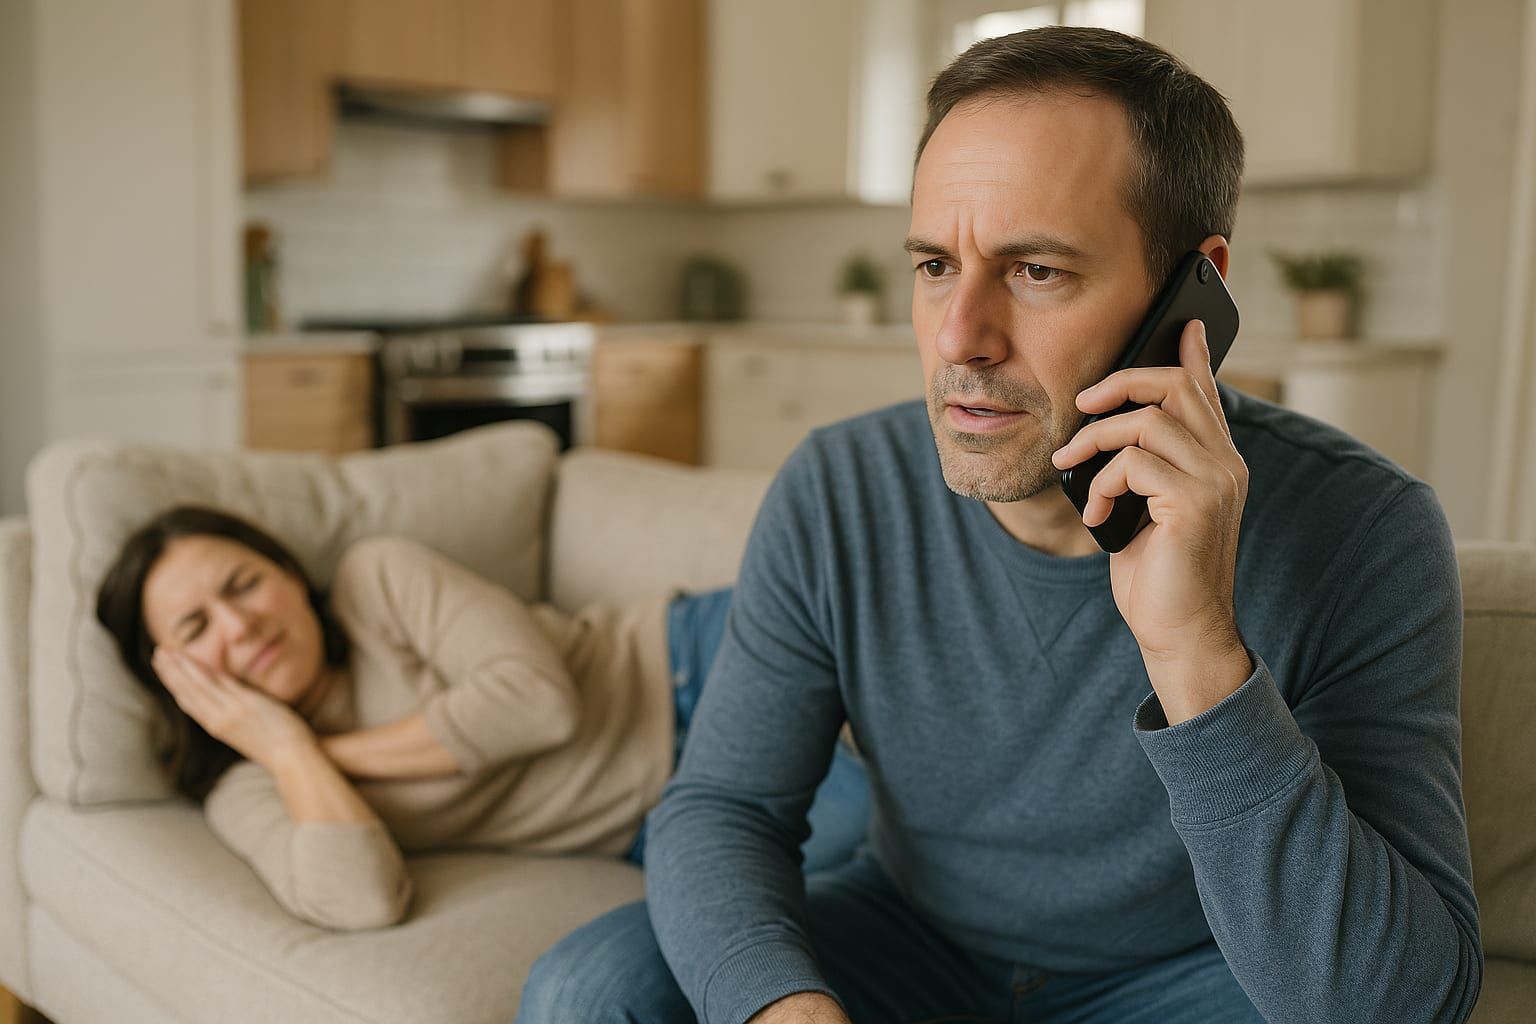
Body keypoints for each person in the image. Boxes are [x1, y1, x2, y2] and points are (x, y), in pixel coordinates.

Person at [516, 25, 1482, 1024]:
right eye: (936, 265)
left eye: (1036, 270)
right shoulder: (837, 488)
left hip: (1194, 969)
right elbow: (724, 809)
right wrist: (782, 1010)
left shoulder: (1368, 529)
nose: (959, 338)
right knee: (589, 993)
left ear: (1195, 291)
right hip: (912, 937)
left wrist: (1195, 646)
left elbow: (1403, 1004)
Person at [94, 506, 871, 931]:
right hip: (654, 816)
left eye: (243, 584)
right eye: (195, 629)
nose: (239, 626)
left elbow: (539, 703)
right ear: (173, 676)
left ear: (291, 576)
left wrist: (324, 748)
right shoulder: (250, 786)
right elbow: (362, 899)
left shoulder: (377, 579)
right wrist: (289, 753)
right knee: (861, 874)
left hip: (687, 668)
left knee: (908, 824)